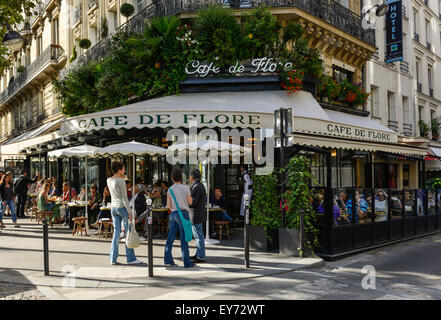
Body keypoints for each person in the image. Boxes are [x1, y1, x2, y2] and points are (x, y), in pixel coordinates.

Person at [107, 160, 143, 265]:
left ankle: (112, 258)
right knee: (129, 232)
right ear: (119, 170)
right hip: (122, 208)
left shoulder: (108, 180)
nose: (124, 170)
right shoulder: (121, 181)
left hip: (113, 208)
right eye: (123, 168)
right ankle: (131, 258)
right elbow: (125, 199)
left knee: (116, 233)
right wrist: (130, 213)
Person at [164, 168, 194, 268]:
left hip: (173, 214)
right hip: (183, 214)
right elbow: (190, 202)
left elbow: (169, 206)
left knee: (170, 238)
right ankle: (187, 262)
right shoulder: (185, 188)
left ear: (172, 178)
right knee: (184, 239)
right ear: (181, 177)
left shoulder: (170, 189)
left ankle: (168, 260)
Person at [189, 169, 207, 263]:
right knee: (198, 235)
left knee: (198, 236)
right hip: (198, 214)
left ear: (192, 177)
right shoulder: (200, 185)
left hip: (196, 214)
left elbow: (192, 202)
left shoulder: (196, 187)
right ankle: (199, 253)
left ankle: (201, 256)